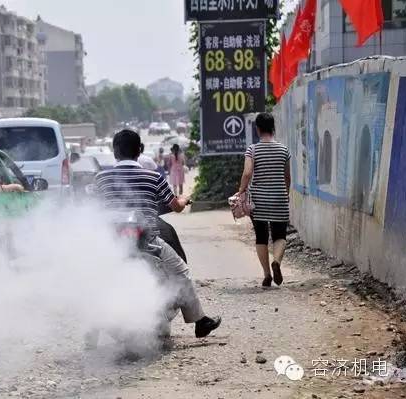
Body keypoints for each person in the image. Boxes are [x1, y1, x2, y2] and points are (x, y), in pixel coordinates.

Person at [94, 129, 221, 338]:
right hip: (149, 244)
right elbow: (176, 206)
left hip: (112, 246)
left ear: (115, 151)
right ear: (139, 151)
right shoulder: (153, 177)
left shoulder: (101, 178)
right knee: (181, 273)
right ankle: (199, 321)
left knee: (94, 279)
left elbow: (95, 209)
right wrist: (184, 198)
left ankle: (92, 330)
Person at [238, 113, 291, 288]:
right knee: (280, 235)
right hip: (279, 198)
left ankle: (267, 274)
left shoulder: (252, 150)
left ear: (258, 129)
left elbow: (247, 173)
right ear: (273, 128)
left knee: (261, 237)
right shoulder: (284, 150)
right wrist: (286, 193)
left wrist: (241, 190)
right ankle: (276, 261)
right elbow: (287, 176)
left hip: (258, 200)